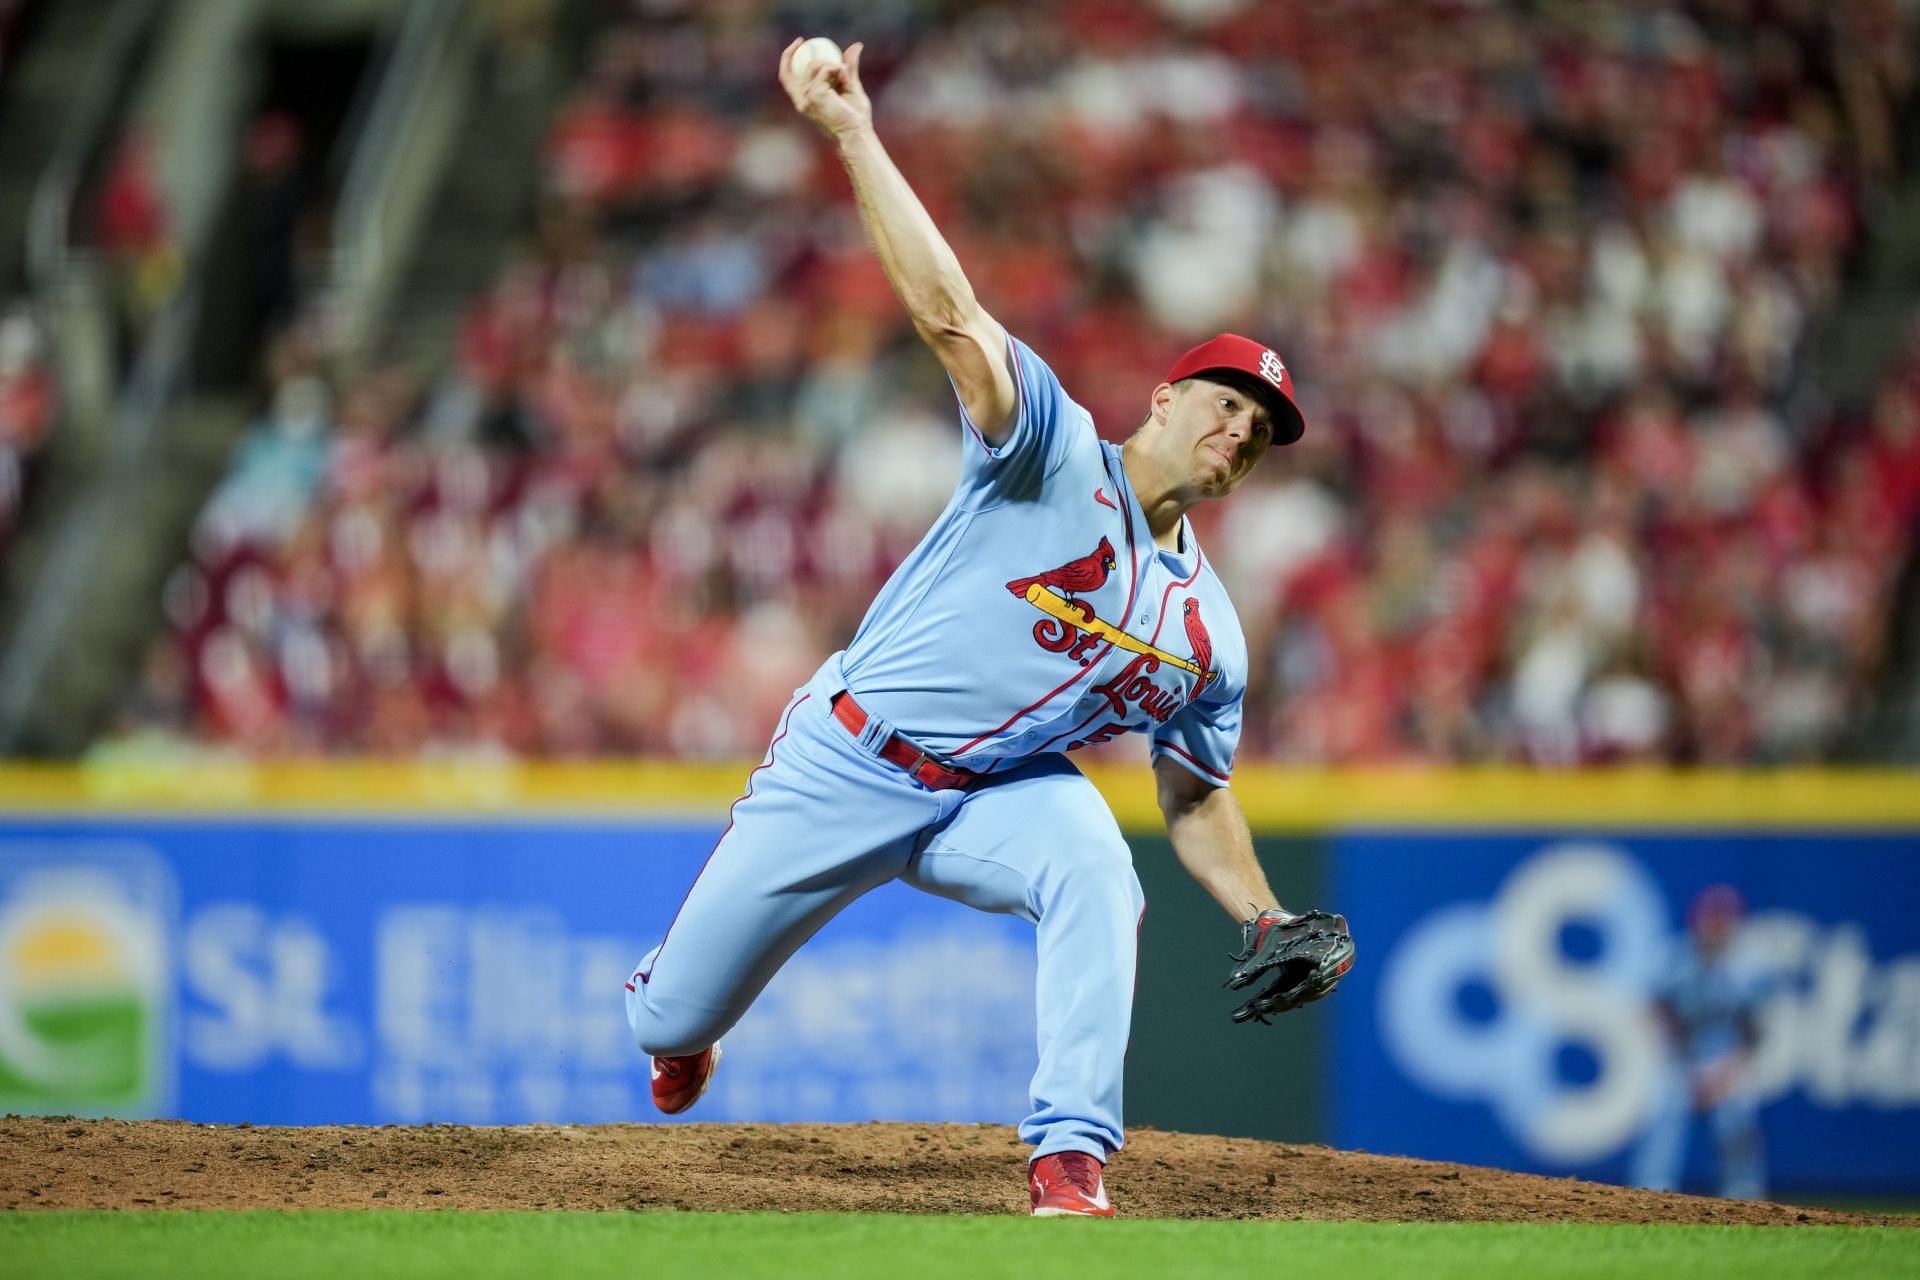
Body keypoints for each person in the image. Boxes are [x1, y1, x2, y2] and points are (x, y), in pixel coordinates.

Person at [623, 38, 1354, 1218]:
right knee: (665, 1017)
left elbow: (1198, 794)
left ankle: (1071, 1155)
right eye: (1228, 404)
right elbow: (952, 315)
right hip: (848, 757)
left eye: (1260, 431)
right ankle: (683, 1022)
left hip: (1000, 791)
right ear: (1165, 399)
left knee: (1096, 867)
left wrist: (1264, 910)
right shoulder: (1050, 451)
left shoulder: (1210, 631)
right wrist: (854, 133)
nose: (1240, 433)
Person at [1630, 884, 1771, 1200]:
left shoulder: (1749, 967)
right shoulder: (1676, 958)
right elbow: (1655, 1007)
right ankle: (1651, 1189)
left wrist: (1730, 1069)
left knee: (1736, 1116)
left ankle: (1745, 1193)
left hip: (1725, 1055)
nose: (1717, 929)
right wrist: (1681, 1058)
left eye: (1724, 922)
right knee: (1666, 1108)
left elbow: (1755, 1029)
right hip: (1682, 1055)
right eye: (1713, 921)